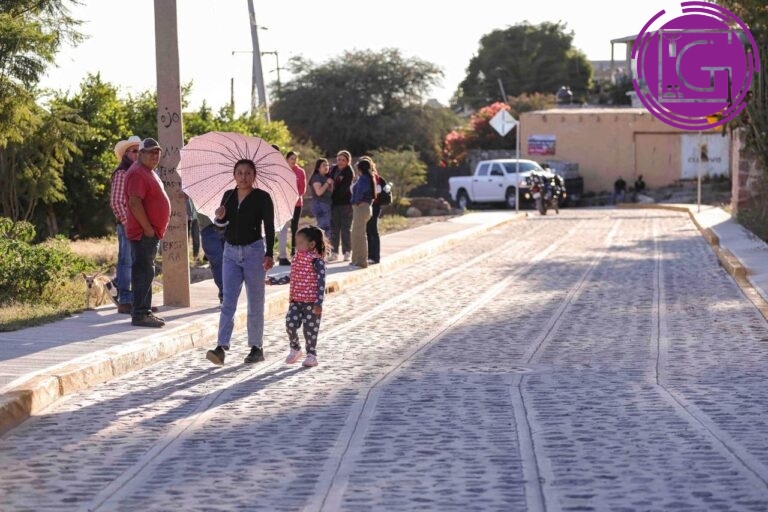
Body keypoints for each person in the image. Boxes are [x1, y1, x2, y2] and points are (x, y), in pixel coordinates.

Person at [206, 159, 275, 366]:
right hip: (230, 253)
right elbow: (220, 229)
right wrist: (219, 218)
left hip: (254, 252)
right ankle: (221, 347)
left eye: (247, 173)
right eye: (240, 173)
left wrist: (269, 253)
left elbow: (269, 228)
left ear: (254, 176)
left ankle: (256, 347)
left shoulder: (262, 197)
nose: (243, 177)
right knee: (228, 300)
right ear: (234, 175)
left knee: (255, 301)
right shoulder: (228, 196)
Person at [125, 138, 171, 328]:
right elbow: (135, 203)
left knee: (146, 270)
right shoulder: (138, 173)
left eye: (157, 152)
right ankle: (141, 313)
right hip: (143, 234)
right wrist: (148, 228)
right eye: (150, 152)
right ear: (141, 154)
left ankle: (144, 311)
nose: (154, 155)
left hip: (149, 233)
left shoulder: (147, 172)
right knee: (144, 271)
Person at [266, 225, 328, 367]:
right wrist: (273, 280)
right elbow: (292, 277)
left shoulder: (317, 261)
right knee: (290, 324)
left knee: (310, 330)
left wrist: (319, 303)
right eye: (296, 242)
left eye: (300, 243)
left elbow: (321, 282)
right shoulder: (296, 259)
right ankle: (295, 348)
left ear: (311, 244)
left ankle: (311, 355)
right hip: (296, 301)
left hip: (312, 303)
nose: (296, 245)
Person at [110, 135, 141, 314]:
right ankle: (126, 300)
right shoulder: (122, 173)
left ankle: (135, 300)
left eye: (140, 151)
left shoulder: (138, 173)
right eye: (134, 151)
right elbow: (116, 202)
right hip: (128, 224)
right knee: (127, 261)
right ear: (126, 154)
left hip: (138, 224)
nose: (138, 154)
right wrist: (128, 222)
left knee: (137, 262)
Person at [278, 151, 307, 266]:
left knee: (295, 228)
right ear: (287, 159)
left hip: (297, 203)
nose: (294, 161)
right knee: (283, 229)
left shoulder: (300, 172)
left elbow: (302, 189)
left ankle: (294, 252)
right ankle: (282, 255)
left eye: (295, 158)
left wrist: (294, 196)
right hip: (284, 204)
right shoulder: (282, 171)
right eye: (291, 158)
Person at [350, 158, 376, 268]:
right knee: (356, 234)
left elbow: (360, 192)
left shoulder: (363, 179)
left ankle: (361, 261)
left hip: (361, 208)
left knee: (359, 235)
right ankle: (356, 259)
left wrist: (356, 201)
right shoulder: (368, 178)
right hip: (364, 208)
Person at [328, 150, 354, 262]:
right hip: (334, 204)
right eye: (339, 159)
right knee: (334, 229)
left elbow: (343, 189)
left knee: (345, 229)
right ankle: (334, 253)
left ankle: (347, 252)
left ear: (348, 161)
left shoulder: (349, 172)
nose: (340, 162)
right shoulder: (333, 169)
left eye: (343, 160)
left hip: (345, 204)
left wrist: (332, 189)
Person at [198, 211, 225, 305]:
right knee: (218, 264)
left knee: (229, 262)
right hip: (208, 228)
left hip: (226, 225)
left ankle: (226, 295)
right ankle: (225, 295)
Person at [363, 156, 382, 265]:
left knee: (372, 231)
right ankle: (371, 255)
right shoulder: (366, 177)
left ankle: (375, 256)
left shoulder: (374, 177)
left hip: (374, 206)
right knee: (369, 231)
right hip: (370, 205)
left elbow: (378, 190)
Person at [309, 158, 334, 237]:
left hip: (326, 204)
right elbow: (319, 192)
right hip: (320, 205)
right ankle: (323, 248)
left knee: (326, 227)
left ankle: (323, 247)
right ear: (318, 168)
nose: (326, 167)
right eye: (324, 165)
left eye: (327, 165)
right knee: (325, 228)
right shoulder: (317, 177)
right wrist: (327, 183)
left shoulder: (326, 177)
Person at [186, 194, 200, 259]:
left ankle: (195, 255)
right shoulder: (186, 195)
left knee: (196, 236)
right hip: (187, 219)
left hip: (196, 218)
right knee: (186, 237)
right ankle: (186, 254)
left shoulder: (197, 196)